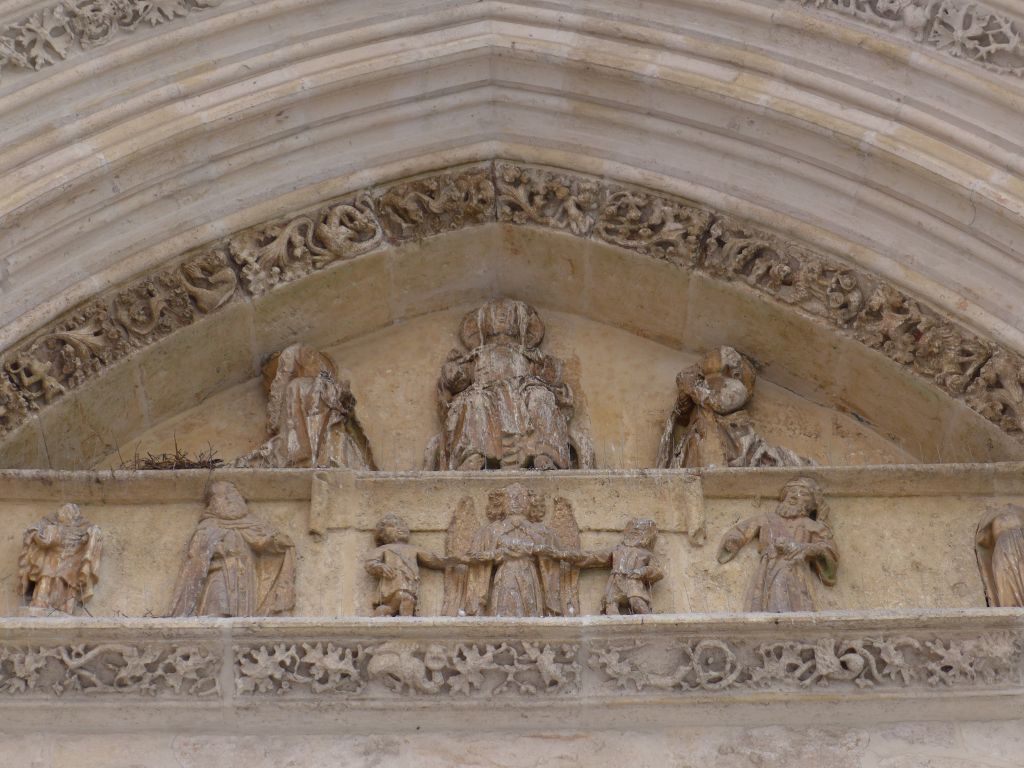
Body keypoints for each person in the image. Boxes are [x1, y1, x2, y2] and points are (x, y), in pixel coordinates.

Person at [426, 298, 593, 470]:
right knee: (474, 402)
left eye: (509, 313)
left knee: (540, 397)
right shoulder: (476, 356)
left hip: (522, 391)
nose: (502, 315)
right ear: (484, 324)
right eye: (494, 313)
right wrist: (452, 372)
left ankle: (544, 453)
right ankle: (473, 454)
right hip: (485, 393)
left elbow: (552, 377)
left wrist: (548, 367)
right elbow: (457, 381)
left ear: (520, 323)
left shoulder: (528, 354)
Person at [657, 346, 810, 468]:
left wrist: (692, 388)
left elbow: (720, 403)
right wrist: (684, 398)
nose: (712, 361)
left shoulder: (736, 387)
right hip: (701, 436)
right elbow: (683, 414)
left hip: (729, 439)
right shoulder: (704, 385)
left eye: (718, 358)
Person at [238, 343, 375, 469]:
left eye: (315, 358)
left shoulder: (323, 386)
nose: (315, 362)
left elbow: (340, 407)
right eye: (309, 357)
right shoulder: (297, 385)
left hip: (329, 439)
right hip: (314, 441)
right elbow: (296, 420)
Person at [168, 481, 295, 617]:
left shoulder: (251, 523)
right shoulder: (208, 525)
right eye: (224, 496)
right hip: (220, 575)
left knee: (243, 620)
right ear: (214, 502)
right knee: (217, 612)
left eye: (233, 494)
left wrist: (277, 542)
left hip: (244, 577)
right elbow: (197, 552)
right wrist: (220, 549)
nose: (230, 499)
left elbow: (261, 540)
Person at [717, 477, 837, 612]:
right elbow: (742, 530)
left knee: (796, 603)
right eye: (792, 491)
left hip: (795, 569)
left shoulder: (811, 525)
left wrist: (803, 548)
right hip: (768, 567)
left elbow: (827, 548)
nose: (794, 496)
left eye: (803, 494)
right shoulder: (767, 519)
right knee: (764, 602)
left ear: (811, 503)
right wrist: (733, 541)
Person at [18, 503, 102, 615]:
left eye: (64, 512)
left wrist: (91, 533)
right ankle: (40, 603)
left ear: (72, 515)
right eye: (61, 512)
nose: (61, 515)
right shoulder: (50, 522)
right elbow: (34, 531)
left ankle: (63, 607)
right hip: (51, 558)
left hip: (72, 559)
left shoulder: (82, 526)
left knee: (66, 580)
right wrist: (37, 535)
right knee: (46, 576)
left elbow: (92, 531)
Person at [364, 514, 448, 616]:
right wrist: (381, 567)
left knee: (407, 600)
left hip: (409, 585)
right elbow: (370, 563)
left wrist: (455, 561)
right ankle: (397, 616)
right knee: (405, 597)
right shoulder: (383, 549)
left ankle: (389, 613)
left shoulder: (414, 549)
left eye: (402, 525)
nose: (400, 528)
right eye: (392, 526)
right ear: (382, 534)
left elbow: (433, 560)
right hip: (391, 585)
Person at [975, 505, 1024, 607]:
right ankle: (1012, 604)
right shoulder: (991, 517)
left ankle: (1013, 604)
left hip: (1012, 543)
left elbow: (983, 539)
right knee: (1005, 573)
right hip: (1003, 546)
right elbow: (982, 539)